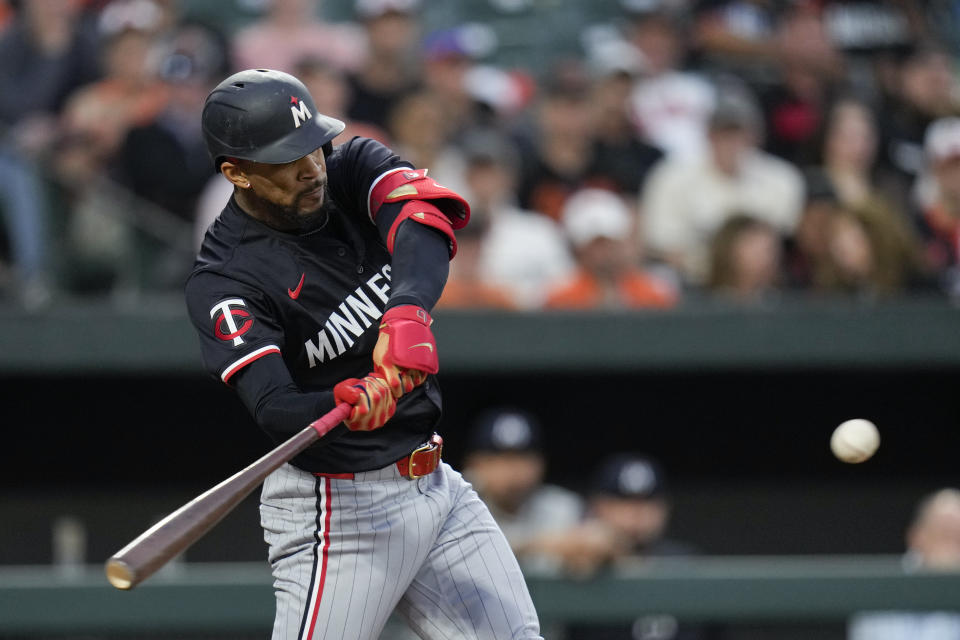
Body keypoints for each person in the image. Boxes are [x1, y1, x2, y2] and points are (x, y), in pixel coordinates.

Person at [185, 69, 542, 640]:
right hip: (338, 509)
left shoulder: (349, 167)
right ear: (237, 173)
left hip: (435, 484)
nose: (311, 167)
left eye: (312, 146)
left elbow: (424, 218)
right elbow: (274, 405)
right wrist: (343, 399)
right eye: (285, 158)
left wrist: (407, 311)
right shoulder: (227, 278)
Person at [848, 489, 960, 640]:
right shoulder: (882, 586)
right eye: (943, 534)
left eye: (957, 538)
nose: (950, 548)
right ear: (916, 536)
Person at [546, 188, 677, 309]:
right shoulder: (560, 298)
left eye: (609, 242)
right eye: (595, 244)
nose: (604, 252)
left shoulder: (653, 294)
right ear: (579, 248)